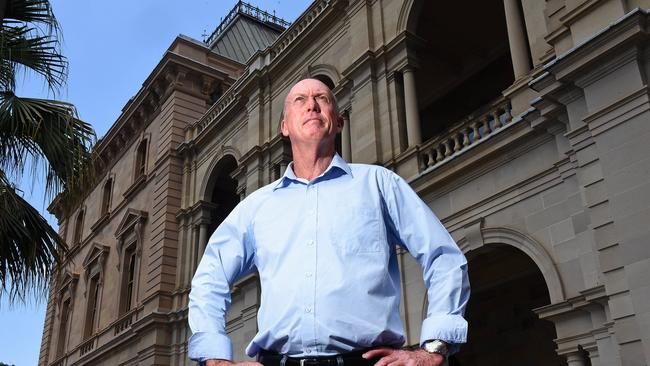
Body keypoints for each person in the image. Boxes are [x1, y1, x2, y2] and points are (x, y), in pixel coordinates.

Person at [189, 78, 470, 366]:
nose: (311, 105)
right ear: (284, 127)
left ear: (338, 122)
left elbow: (444, 257)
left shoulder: (379, 185)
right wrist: (214, 358)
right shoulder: (256, 208)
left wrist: (434, 347)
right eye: (300, 100)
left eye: (322, 98)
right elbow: (209, 278)